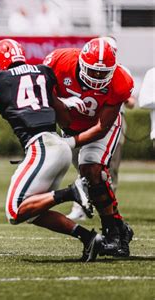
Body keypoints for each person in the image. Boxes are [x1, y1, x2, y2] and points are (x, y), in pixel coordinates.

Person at [0, 39, 102, 262]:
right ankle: (89, 239)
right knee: (31, 212)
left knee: (14, 211)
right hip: (58, 146)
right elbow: (65, 118)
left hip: (42, 147)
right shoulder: (43, 72)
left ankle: (72, 192)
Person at [44, 37, 134, 257]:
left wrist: (70, 142)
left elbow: (103, 127)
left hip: (101, 127)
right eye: (93, 71)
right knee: (90, 181)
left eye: (103, 74)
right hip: (70, 127)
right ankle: (120, 228)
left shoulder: (120, 80)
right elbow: (43, 96)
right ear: (82, 63)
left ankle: (112, 234)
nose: (97, 78)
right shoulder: (58, 61)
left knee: (92, 169)